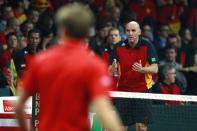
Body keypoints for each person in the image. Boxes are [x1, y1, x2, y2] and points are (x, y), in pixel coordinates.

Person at [15, 3, 123, 131]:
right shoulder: (93, 65)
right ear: (87, 32)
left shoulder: (40, 60)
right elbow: (104, 111)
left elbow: (18, 106)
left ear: (61, 29)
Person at [110, 21, 158, 131]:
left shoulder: (147, 46)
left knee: (141, 127)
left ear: (139, 32)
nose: (130, 33)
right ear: (125, 32)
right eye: (128, 31)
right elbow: (110, 70)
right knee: (120, 127)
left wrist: (142, 69)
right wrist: (112, 69)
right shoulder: (118, 47)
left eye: (133, 30)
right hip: (123, 92)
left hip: (142, 91)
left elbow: (155, 69)